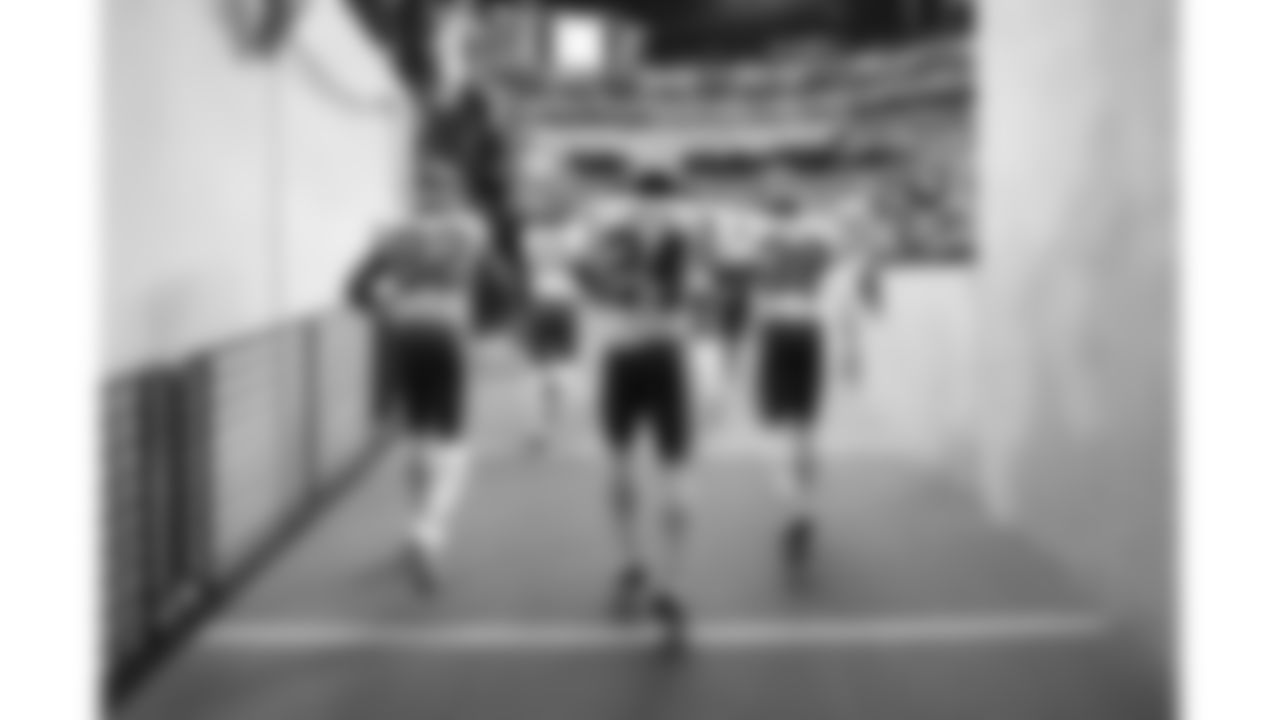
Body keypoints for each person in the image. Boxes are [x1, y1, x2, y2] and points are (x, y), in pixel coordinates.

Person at [575, 174, 706, 654]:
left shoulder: (627, 242)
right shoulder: (678, 243)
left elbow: (596, 286)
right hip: (651, 359)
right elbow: (687, 302)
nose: (652, 211)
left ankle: (644, 570)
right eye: (652, 203)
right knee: (655, 471)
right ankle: (662, 581)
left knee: (635, 470)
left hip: (633, 358)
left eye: (653, 203)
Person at [347, 196, 488, 591]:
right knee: (455, 444)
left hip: (404, 336)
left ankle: (415, 525)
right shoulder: (467, 233)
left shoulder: (394, 236)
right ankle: (426, 532)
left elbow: (355, 290)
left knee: (417, 435)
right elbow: (501, 285)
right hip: (447, 335)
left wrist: (388, 307)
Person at [748, 190, 870, 573]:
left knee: (783, 432)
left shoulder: (767, 249)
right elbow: (845, 296)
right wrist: (852, 350)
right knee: (804, 430)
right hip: (807, 336)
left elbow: (760, 305)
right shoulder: (820, 248)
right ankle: (802, 507)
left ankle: (795, 508)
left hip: (783, 337)